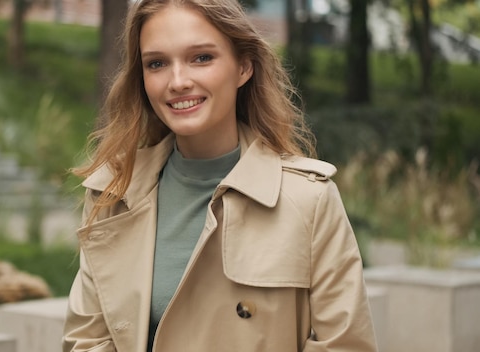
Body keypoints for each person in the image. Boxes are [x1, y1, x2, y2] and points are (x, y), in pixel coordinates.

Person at [62, 0, 378, 351]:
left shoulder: (309, 201)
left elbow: (346, 345)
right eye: (157, 64)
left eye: (201, 58)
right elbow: (86, 341)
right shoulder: (113, 193)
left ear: (244, 66)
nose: (178, 81)